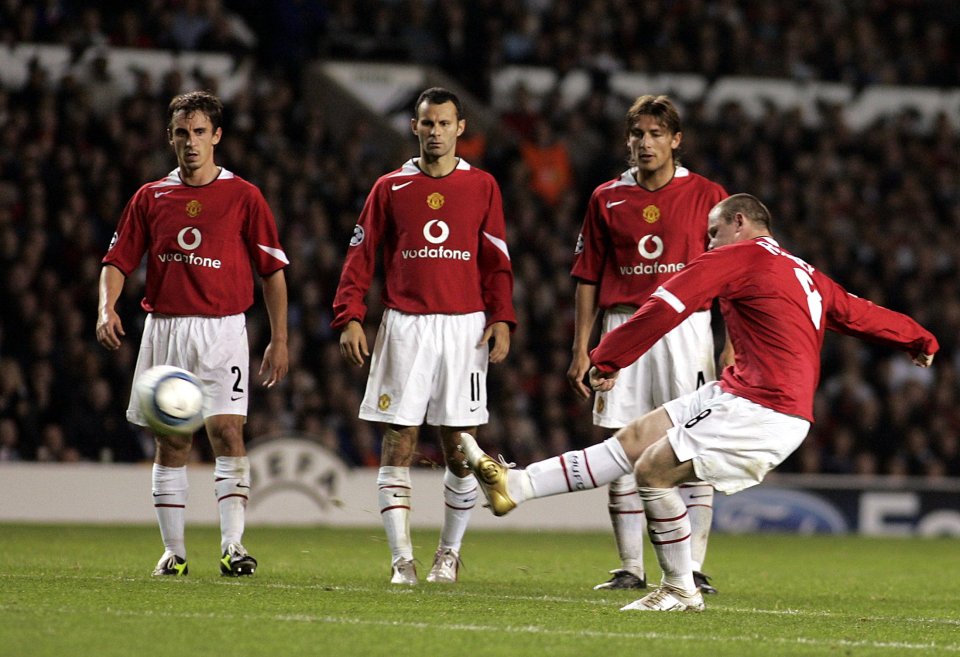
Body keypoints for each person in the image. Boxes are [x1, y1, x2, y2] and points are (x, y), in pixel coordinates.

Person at [462, 193, 937, 612]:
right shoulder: (805, 271)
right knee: (635, 439)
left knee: (652, 472)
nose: (707, 245)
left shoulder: (740, 257)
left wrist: (608, 357)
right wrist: (918, 338)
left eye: (712, 234)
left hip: (763, 408)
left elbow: (667, 304)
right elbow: (860, 313)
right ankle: (517, 486)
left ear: (740, 223)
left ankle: (679, 588)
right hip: (740, 391)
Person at [96, 90, 289, 577]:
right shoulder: (150, 196)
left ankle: (233, 546)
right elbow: (117, 260)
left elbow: (273, 272)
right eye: (182, 133)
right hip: (166, 329)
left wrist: (280, 338)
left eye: (200, 132)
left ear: (217, 137)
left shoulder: (244, 196)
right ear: (170, 137)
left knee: (227, 432)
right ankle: (174, 553)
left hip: (223, 331)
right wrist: (106, 307)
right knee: (173, 442)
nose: (191, 142)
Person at [332, 87, 516, 585]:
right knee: (399, 439)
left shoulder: (482, 187)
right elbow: (361, 255)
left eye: (444, 124)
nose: (435, 132)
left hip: (465, 326)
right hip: (405, 325)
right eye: (427, 124)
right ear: (414, 127)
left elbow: (497, 260)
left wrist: (502, 317)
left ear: (461, 128)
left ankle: (448, 555)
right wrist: (350, 314)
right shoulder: (390, 187)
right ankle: (401, 561)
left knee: (459, 445)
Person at [566, 94, 727, 593]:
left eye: (657, 134)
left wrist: (732, 344)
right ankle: (631, 568)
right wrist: (582, 349)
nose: (646, 143)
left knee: (693, 444)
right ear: (627, 140)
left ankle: (692, 567)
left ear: (676, 141)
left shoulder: (707, 195)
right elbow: (588, 276)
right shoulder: (605, 198)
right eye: (638, 134)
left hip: (687, 330)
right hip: (623, 326)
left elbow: (732, 276)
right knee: (620, 444)